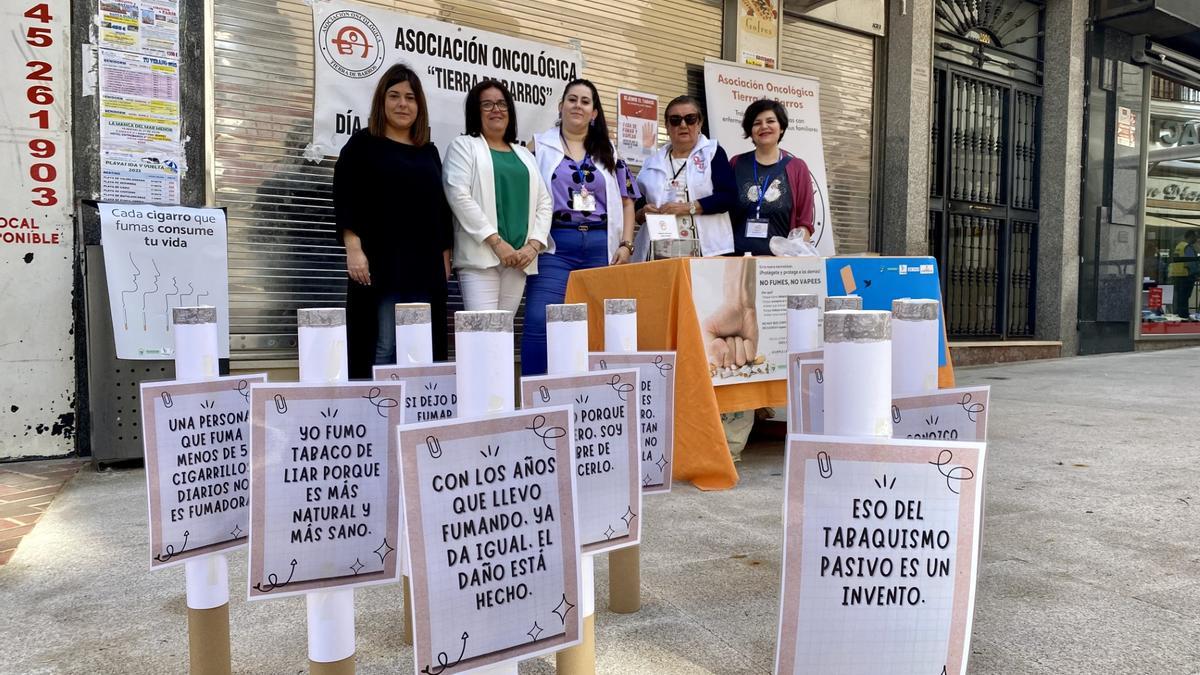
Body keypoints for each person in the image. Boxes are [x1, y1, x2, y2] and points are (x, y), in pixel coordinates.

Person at [333, 63, 451, 379]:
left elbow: (440, 209)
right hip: (381, 267)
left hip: (424, 268)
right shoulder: (362, 145)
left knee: (420, 345)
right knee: (384, 345)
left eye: (410, 97)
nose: (403, 104)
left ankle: (416, 416)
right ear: (382, 102)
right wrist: (353, 248)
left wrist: (445, 256)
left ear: (419, 105)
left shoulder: (429, 151)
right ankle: (380, 413)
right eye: (395, 95)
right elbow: (346, 197)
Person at [523, 79, 639, 375]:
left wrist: (626, 245)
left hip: (601, 247)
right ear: (561, 107)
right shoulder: (539, 145)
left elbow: (628, 200)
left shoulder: (608, 150)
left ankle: (592, 394)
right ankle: (537, 394)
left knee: (597, 323)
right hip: (555, 246)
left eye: (585, 101)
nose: (578, 105)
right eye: (572, 99)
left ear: (595, 113)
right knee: (539, 319)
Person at [443, 80, 552, 312]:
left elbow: (544, 203)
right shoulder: (463, 146)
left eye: (502, 104)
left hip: (520, 259)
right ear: (475, 111)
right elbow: (459, 196)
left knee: (503, 333)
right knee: (483, 332)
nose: (496, 110)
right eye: (487, 104)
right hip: (482, 257)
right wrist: (497, 243)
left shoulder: (524, 154)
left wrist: (533, 246)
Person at [632, 95, 737, 261]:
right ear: (666, 126)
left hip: (706, 250)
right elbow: (638, 203)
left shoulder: (712, 152)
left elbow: (728, 197)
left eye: (690, 119)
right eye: (675, 120)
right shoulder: (652, 161)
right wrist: (642, 212)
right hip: (660, 252)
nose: (683, 125)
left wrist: (688, 207)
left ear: (700, 123)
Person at [728, 98, 816, 256]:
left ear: (781, 127)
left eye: (770, 121)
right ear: (750, 131)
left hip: (779, 266)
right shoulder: (736, 163)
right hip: (737, 260)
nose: (764, 127)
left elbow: (804, 222)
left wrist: (798, 254)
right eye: (757, 123)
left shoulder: (797, 167)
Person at [1168, 230, 1199, 319]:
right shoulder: (1188, 247)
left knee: (1180, 298)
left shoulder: (1179, 246)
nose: (1196, 239)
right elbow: (1191, 263)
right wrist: (1197, 273)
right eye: (1195, 237)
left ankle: (1178, 315)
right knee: (1185, 298)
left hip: (1178, 275)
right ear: (1191, 236)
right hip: (1186, 275)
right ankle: (1184, 316)